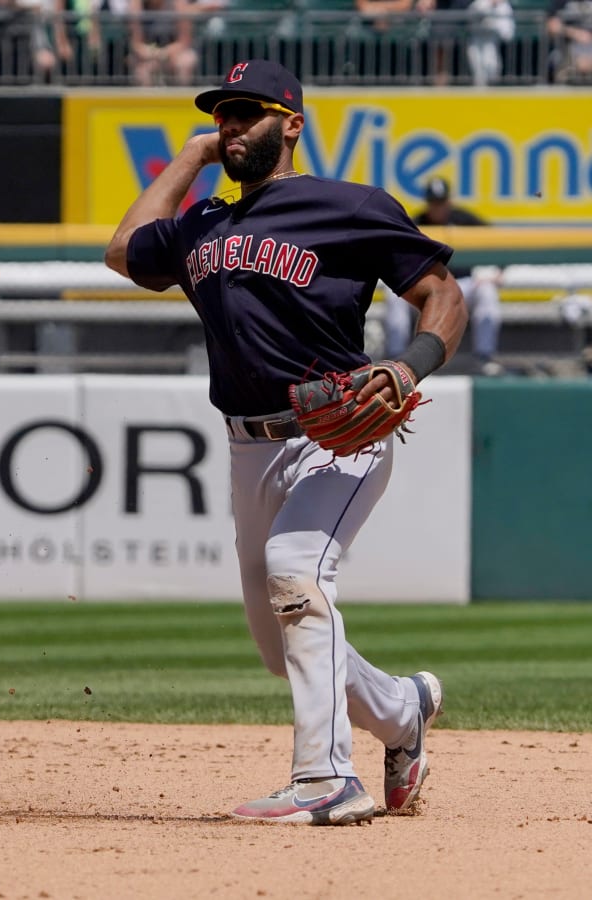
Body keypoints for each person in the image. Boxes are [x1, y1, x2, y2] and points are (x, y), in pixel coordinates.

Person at [104, 59, 468, 825]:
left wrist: (409, 366)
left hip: (342, 430)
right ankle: (403, 712)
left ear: (292, 125)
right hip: (248, 446)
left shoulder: (349, 207)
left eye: (249, 112)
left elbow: (441, 294)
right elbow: (122, 250)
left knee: (296, 569)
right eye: (223, 113)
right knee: (283, 644)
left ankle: (327, 779)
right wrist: (194, 156)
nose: (232, 124)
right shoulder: (204, 223)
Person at [384, 176, 503, 375]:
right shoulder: (416, 223)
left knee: (486, 291)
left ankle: (485, 357)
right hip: (425, 288)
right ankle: (394, 358)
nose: (437, 208)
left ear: (449, 201)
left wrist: (495, 271)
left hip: (463, 285)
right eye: (433, 203)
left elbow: (501, 246)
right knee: (393, 296)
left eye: (441, 202)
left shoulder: (465, 220)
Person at [126, 0, 200, 87]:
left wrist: (164, 53)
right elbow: (136, 44)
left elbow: (184, 41)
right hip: (147, 56)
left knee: (186, 62)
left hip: (176, 53)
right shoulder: (136, 4)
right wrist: (152, 53)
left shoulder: (179, 3)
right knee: (142, 72)